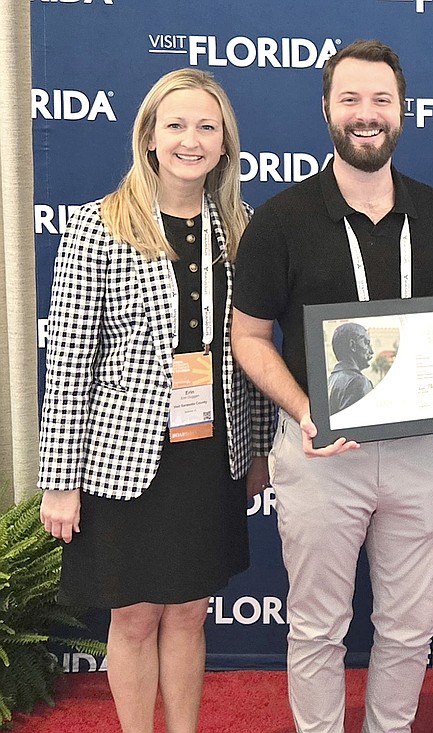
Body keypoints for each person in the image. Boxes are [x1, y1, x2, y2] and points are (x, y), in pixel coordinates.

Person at [230, 40, 433, 733]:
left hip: (417, 453)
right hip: (319, 451)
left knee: (409, 624)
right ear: (327, 111)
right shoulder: (282, 219)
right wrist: (308, 410)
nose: (367, 115)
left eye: (380, 101)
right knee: (316, 626)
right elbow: (248, 338)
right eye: (351, 100)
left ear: (402, 111)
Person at [37, 69, 274, 733]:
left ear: (225, 143)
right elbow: (70, 366)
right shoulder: (96, 227)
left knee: (192, 611)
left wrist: (257, 448)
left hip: (208, 452)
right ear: (148, 136)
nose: (190, 139)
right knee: (135, 616)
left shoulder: (241, 227)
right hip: (123, 459)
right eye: (175, 125)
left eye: (206, 126)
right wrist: (59, 482)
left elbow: (248, 350)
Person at [328, 322, 374, 413]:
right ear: (353, 345)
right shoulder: (358, 382)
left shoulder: (330, 381)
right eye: (366, 343)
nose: (371, 351)